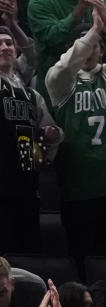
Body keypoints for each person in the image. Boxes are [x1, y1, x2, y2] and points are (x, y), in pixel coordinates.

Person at [46, 0, 106, 265]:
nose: (89, 50)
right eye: (82, 46)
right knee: (80, 257)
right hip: (77, 186)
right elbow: (65, 66)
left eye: (95, 46)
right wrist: (93, 31)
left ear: (101, 50)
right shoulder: (59, 80)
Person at [0, 22, 62, 253]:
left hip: (26, 185)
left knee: (28, 253)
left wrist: (52, 135)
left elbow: (50, 135)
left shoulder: (31, 94)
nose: (5, 47)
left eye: (8, 43)